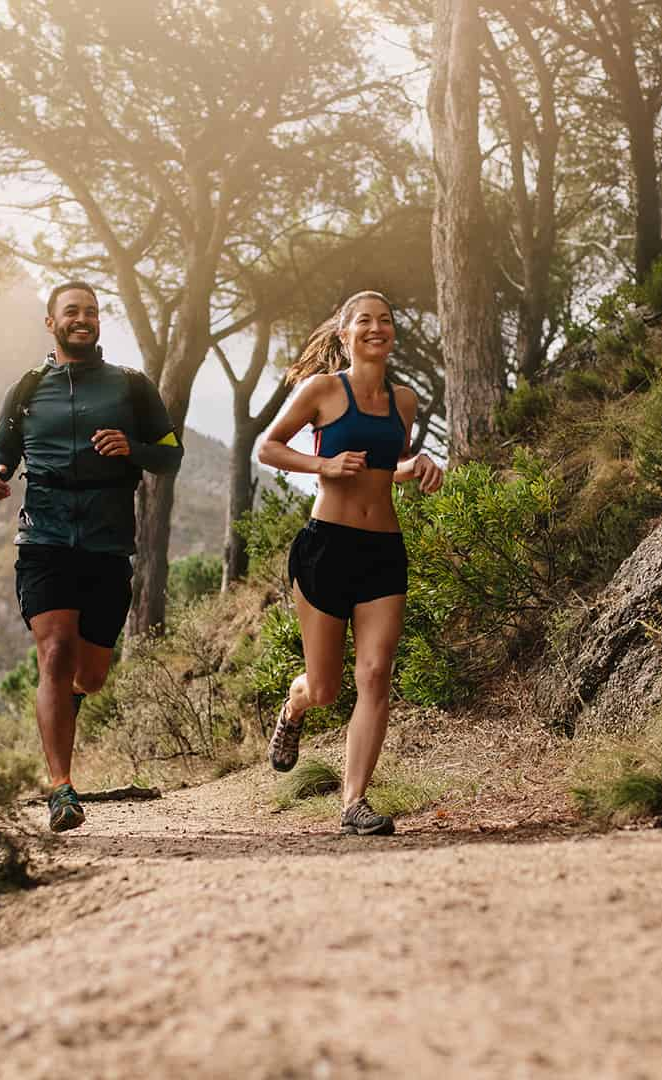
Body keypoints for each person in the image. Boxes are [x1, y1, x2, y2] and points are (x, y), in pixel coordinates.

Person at [0, 281, 183, 833]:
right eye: (72, 311)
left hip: (107, 540)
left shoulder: (131, 386)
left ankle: (69, 699)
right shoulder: (28, 388)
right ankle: (61, 789)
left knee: (89, 676)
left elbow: (171, 456)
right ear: (52, 323)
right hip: (43, 535)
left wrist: (132, 449)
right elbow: (2, 447)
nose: (83, 318)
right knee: (53, 653)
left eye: (91, 311)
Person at [257, 290, 445, 836]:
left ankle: (353, 803)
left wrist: (419, 466)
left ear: (392, 334)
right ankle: (293, 709)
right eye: (364, 321)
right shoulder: (322, 390)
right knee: (324, 689)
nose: (376, 328)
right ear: (346, 335)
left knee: (376, 674)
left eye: (385, 320)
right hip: (326, 549)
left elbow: (388, 469)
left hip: (383, 551)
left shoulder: (404, 400)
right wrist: (325, 463)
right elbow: (268, 448)